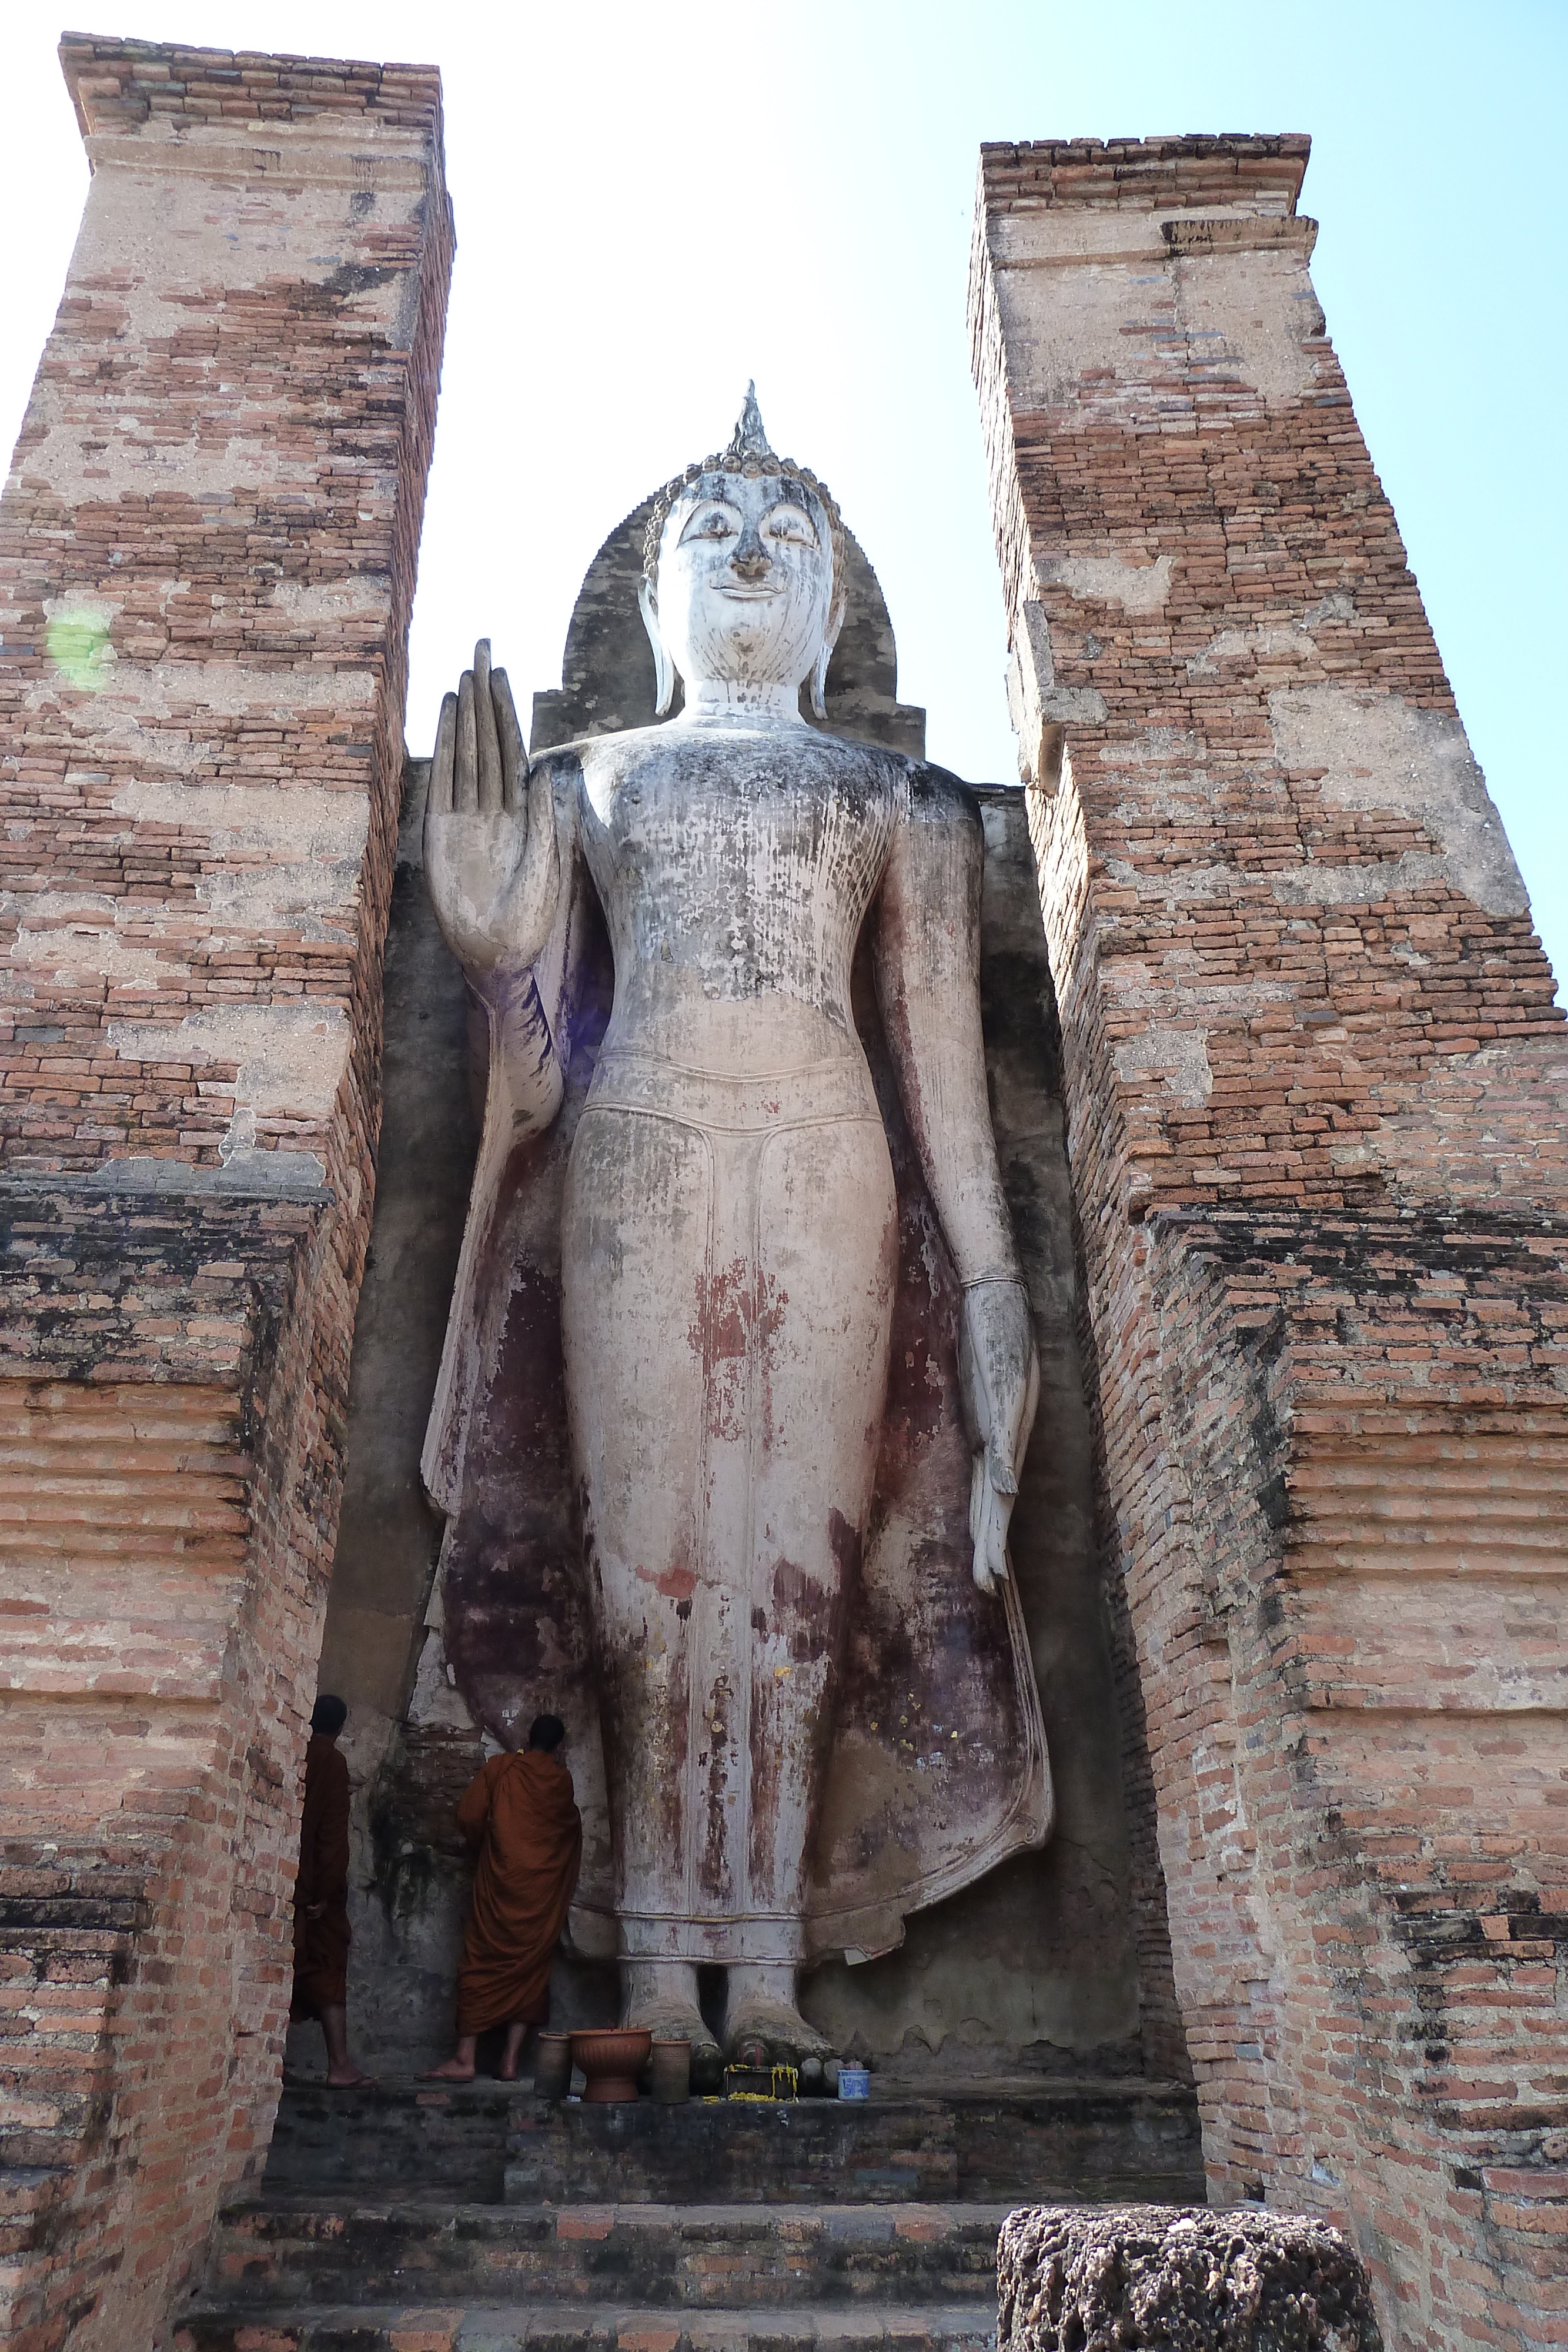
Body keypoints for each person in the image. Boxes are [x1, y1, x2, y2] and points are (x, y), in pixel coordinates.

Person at [422, 389, 1038, 2073]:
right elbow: (548, 1041)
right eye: (715, 531)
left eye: (789, 538)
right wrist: (492, 935)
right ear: (651, 598)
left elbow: (940, 1081)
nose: (752, 553)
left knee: (795, 1577)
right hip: (640, 1156)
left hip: (830, 1165)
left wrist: (989, 1293)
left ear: (833, 604)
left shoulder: (899, 801)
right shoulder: (590, 778)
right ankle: (647, 1991)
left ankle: (762, 1974)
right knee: (641, 1571)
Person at [424, 1712, 583, 2083]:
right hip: (540, 1892)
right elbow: (569, 1828)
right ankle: (510, 2062)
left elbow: (468, 1815)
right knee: (531, 1967)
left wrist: (492, 1848)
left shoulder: (502, 1769)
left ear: (528, 1738)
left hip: (499, 1882)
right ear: (559, 1747)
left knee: (480, 1962)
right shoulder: (561, 1782)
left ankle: (465, 2059)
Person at [290, 1693, 370, 2086]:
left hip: (280, 1880)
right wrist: (325, 1890)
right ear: (340, 1728)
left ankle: (261, 2057)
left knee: (281, 1966)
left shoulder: (292, 1751)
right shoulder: (331, 1761)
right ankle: (339, 2066)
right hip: (313, 1891)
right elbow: (331, 1835)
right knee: (326, 1969)